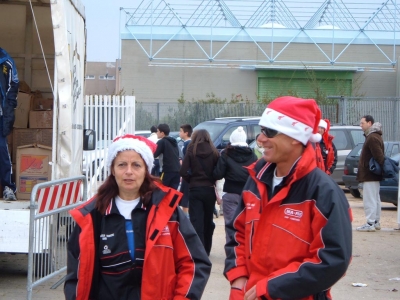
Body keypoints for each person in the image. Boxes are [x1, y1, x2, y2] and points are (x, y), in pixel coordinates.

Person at [224, 96, 352, 300]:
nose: (261, 139)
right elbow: (237, 232)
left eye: (270, 132)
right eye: (262, 130)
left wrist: (272, 287)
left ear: (295, 137)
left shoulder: (323, 192)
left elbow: (333, 260)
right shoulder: (255, 180)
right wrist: (238, 277)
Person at [65, 134, 211, 300]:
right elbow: (76, 277)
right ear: (112, 169)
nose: (129, 171)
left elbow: (194, 263)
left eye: (136, 165)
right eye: (122, 165)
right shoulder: (92, 217)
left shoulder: (168, 212)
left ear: (146, 170)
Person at [213, 126, 257, 243]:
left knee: (230, 224)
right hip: (248, 193)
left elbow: (218, 174)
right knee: (247, 224)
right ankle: (246, 250)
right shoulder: (252, 155)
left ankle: (232, 253)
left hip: (231, 192)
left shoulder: (226, 154)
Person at [180, 129, 219, 256]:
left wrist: (191, 180)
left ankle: (198, 250)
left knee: (196, 220)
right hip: (209, 189)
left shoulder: (191, 150)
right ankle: (207, 249)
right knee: (208, 220)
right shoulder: (214, 152)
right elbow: (218, 171)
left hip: (195, 189)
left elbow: (183, 171)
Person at [356, 115, 384, 232]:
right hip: (373, 174)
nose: (360, 125)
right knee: (375, 198)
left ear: (369, 123)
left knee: (370, 199)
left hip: (370, 174)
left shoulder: (372, 137)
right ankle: (376, 221)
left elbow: (379, 156)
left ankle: (370, 223)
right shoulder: (374, 136)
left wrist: (377, 168)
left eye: (362, 123)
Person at [0, 47, 19, 201]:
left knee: (2, 151)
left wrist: (8, 111)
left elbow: (14, 85)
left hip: (0, 115)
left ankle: (9, 187)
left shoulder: (6, 61)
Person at [153, 123, 180, 189]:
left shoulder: (162, 142)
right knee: (173, 192)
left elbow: (154, 154)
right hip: (177, 170)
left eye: (157, 131)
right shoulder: (174, 142)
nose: (156, 133)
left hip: (167, 170)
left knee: (162, 190)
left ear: (162, 133)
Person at [178, 124, 192, 218]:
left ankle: (186, 217)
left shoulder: (188, 144)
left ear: (186, 133)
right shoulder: (186, 143)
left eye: (181, 131)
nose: (179, 133)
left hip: (186, 173)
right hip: (186, 173)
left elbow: (186, 160)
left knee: (185, 197)